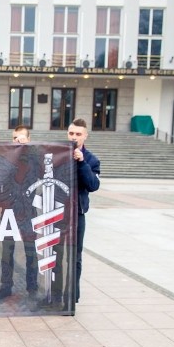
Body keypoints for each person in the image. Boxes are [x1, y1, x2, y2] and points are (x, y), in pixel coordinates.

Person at [55, 118, 101, 303]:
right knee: (56, 255)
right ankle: (56, 295)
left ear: (85, 136)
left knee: (74, 257)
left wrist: (82, 163)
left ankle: (72, 295)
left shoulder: (91, 159)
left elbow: (93, 185)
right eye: (71, 133)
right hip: (58, 212)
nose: (74, 137)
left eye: (78, 134)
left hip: (78, 214)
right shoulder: (57, 155)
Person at [0, 125, 39, 301]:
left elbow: (45, 170)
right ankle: (6, 286)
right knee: (7, 250)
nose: (17, 141)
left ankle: (32, 286)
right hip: (9, 210)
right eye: (14, 138)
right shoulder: (6, 158)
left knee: (31, 250)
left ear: (28, 139)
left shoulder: (34, 158)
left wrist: (30, 149)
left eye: (21, 138)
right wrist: (7, 202)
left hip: (28, 211)